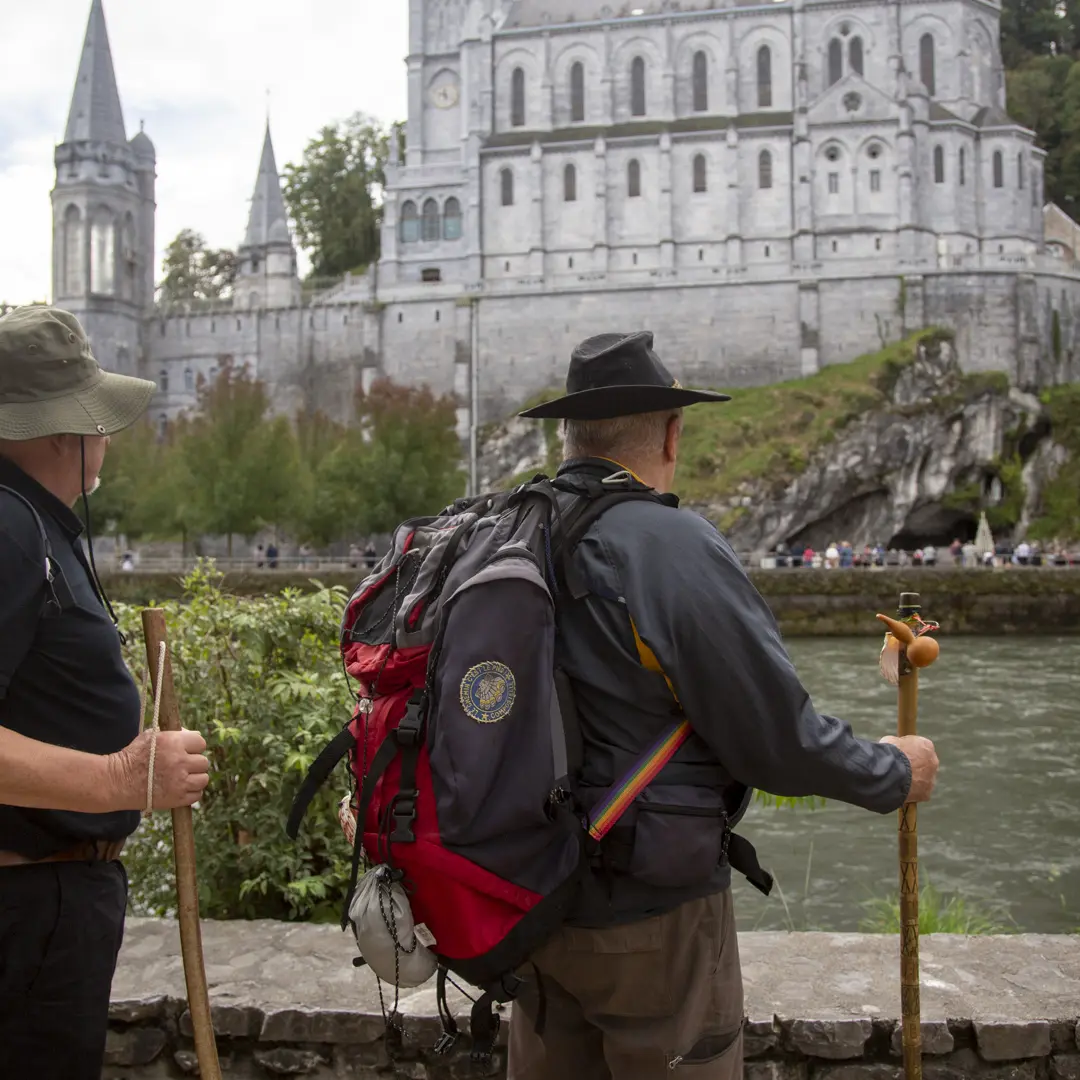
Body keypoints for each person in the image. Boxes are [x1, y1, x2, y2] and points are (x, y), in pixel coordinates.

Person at [510, 331, 939, 1079]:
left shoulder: (509, 531)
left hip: (522, 904)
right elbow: (775, 737)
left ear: (571, 435)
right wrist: (893, 772)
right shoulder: (668, 544)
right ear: (673, 432)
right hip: (650, 916)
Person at [0, 306, 211, 1080]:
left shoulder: (29, 522)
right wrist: (121, 779)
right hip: (26, 908)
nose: (108, 437)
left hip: (48, 898)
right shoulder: (10, 527)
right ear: (63, 432)